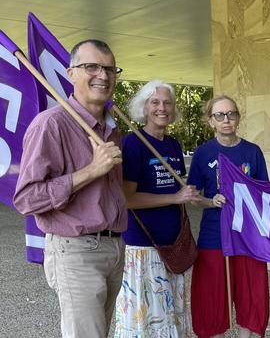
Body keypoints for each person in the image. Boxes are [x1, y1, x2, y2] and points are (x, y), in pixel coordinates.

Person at [13, 39, 127, 337]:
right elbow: (26, 198)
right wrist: (91, 170)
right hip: (76, 251)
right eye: (91, 67)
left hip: (114, 248)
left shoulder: (112, 129)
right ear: (70, 73)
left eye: (109, 69)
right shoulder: (51, 125)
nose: (103, 75)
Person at [114, 80, 200, 337]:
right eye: (155, 102)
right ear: (144, 107)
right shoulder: (133, 143)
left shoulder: (173, 145)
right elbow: (127, 199)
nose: (162, 108)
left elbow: (179, 190)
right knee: (146, 320)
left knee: (170, 316)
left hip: (172, 245)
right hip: (143, 247)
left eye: (167, 102)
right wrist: (175, 198)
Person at [187, 95, 270, 338]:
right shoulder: (204, 153)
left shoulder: (252, 152)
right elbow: (194, 196)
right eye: (219, 115)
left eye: (231, 114)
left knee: (248, 297)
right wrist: (211, 201)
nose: (226, 120)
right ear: (210, 121)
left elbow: (264, 193)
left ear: (238, 118)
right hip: (214, 236)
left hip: (247, 238)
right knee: (213, 300)